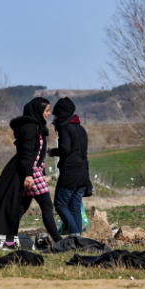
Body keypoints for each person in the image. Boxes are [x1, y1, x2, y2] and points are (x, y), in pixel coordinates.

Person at [0, 97, 63, 247]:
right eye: (46, 110)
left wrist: (43, 172)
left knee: (20, 208)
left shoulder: (37, 127)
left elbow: (38, 153)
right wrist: (28, 175)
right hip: (30, 172)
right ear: (38, 111)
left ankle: (9, 241)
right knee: (46, 205)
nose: (48, 113)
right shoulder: (30, 128)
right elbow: (26, 154)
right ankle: (59, 242)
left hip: (34, 171)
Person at [48, 97, 92, 237]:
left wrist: (52, 151)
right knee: (74, 207)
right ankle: (77, 240)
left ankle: (74, 236)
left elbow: (65, 149)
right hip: (83, 173)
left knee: (60, 204)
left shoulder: (65, 127)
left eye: (56, 114)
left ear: (61, 114)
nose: (54, 117)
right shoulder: (80, 128)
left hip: (70, 173)